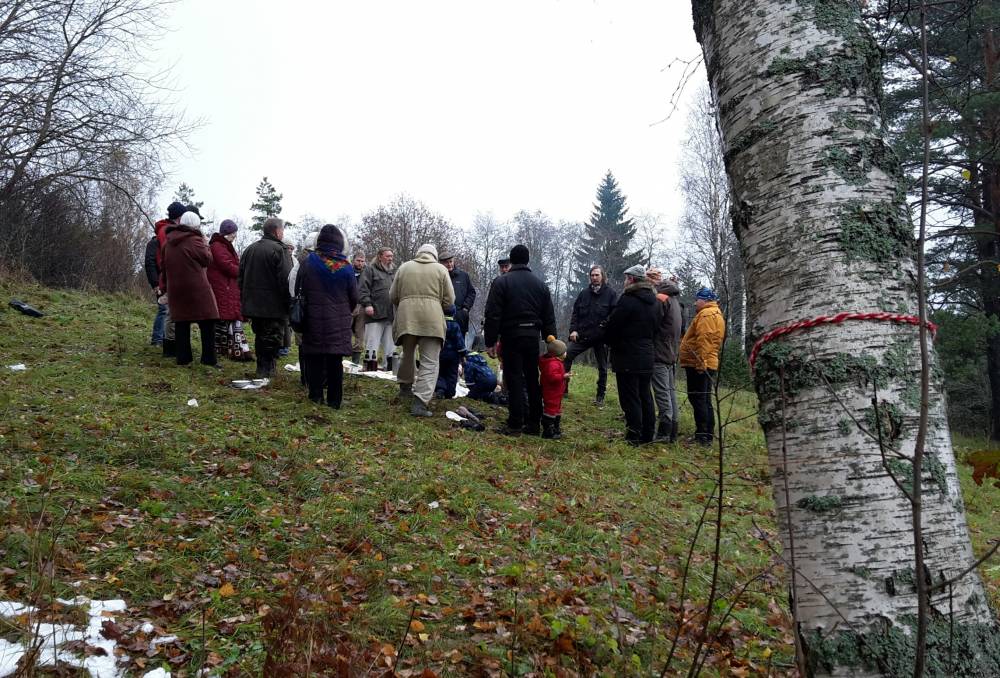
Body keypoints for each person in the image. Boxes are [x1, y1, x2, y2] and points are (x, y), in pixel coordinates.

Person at [483, 244, 556, 436]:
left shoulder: (502, 282)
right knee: (532, 379)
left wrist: (490, 341)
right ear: (527, 260)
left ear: (512, 260)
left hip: (511, 336)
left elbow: (493, 314)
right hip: (533, 337)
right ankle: (534, 423)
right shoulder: (540, 285)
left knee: (514, 378)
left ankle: (515, 423)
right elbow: (549, 316)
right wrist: (551, 341)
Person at [389, 244, 455, 417]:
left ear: (418, 253)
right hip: (432, 320)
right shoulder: (441, 270)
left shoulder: (404, 267)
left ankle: (404, 388)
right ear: (434, 255)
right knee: (430, 361)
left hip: (407, 318)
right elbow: (450, 300)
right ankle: (420, 403)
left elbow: (393, 296)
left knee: (407, 354)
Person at [297, 224, 358, 408]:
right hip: (338, 322)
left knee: (314, 358)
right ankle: (334, 400)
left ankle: (315, 396)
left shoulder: (309, 262)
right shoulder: (346, 267)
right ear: (339, 243)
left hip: (312, 319)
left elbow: (298, 289)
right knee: (335, 361)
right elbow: (354, 298)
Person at [603, 264, 661, 445]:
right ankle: (648, 434)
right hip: (647, 354)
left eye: (626, 278)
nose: (624, 281)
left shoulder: (627, 300)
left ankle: (633, 434)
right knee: (645, 395)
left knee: (630, 396)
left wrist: (608, 338)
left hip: (627, 355)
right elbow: (656, 328)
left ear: (632, 279)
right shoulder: (654, 302)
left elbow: (614, 325)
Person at [161, 211, 220, 368]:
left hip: (176, 289)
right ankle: (209, 359)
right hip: (197, 288)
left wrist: (164, 287)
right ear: (196, 225)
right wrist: (206, 244)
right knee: (208, 322)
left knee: (181, 323)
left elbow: (164, 268)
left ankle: (183, 359)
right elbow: (207, 260)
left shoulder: (168, 243)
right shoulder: (195, 240)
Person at [239, 217, 293, 378]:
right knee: (272, 338)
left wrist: (245, 298)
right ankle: (267, 371)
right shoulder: (279, 250)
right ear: (277, 231)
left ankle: (262, 368)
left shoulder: (249, 249)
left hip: (253, 304)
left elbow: (240, 277)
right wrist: (289, 303)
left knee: (260, 335)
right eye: (282, 230)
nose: (283, 233)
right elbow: (286, 280)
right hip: (273, 306)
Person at [564, 266, 618, 406]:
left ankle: (600, 396)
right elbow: (575, 313)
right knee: (567, 356)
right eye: (592, 275)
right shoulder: (584, 293)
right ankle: (563, 389)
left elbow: (615, 315)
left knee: (602, 367)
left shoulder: (611, 294)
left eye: (597, 275)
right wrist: (573, 330)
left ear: (602, 276)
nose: (594, 277)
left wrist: (606, 328)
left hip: (601, 338)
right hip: (583, 335)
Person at [679, 287, 725, 446]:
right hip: (707, 362)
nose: (695, 302)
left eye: (697, 299)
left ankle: (702, 436)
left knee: (698, 399)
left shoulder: (706, 315)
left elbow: (704, 341)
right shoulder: (716, 313)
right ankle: (707, 434)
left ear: (704, 300)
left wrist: (700, 363)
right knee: (704, 399)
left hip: (699, 363)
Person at [207, 219, 252, 361]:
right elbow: (226, 265)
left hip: (226, 286)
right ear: (227, 233)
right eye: (233, 234)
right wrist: (242, 271)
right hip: (222, 286)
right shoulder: (218, 246)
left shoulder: (223, 245)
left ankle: (223, 348)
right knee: (222, 318)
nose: (235, 237)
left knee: (225, 318)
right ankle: (220, 348)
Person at [647, 269, 682, 442]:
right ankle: (673, 431)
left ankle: (663, 432)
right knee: (670, 392)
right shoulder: (675, 300)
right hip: (671, 352)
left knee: (662, 394)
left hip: (659, 352)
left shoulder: (661, 299)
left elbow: (652, 323)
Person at [153, 201, 186, 357]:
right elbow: (168, 253)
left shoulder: (167, 229)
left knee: (171, 312)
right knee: (169, 312)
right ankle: (169, 346)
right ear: (179, 217)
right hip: (169, 274)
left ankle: (170, 345)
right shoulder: (166, 231)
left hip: (169, 273)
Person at [358, 247, 396, 372]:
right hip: (374, 313)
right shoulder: (370, 270)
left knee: (390, 344)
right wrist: (367, 304)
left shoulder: (392, 272)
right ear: (380, 256)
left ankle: (389, 367)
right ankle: (369, 368)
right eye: (387, 256)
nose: (390, 258)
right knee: (372, 342)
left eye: (391, 256)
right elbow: (363, 289)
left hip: (390, 314)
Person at [438, 252, 476, 338]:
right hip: (442, 317)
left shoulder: (463, 276)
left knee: (460, 346)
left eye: (451, 261)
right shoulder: (437, 277)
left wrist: (465, 309)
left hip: (460, 317)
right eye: (446, 262)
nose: (449, 264)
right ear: (440, 263)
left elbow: (471, 293)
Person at [435, 304, 468, 399]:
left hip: (440, 353)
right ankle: (450, 391)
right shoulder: (455, 325)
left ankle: (440, 389)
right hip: (453, 356)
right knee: (452, 373)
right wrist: (463, 353)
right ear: (454, 313)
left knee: (440, 372)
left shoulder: (439, 324)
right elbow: (459, 341)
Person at [539, 335, 568, 440]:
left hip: (556, 392)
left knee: (556, 409)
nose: (566, 353)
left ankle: (555, 427)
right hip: (551, 392)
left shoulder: (556, 362)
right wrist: (563, 376)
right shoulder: (553, 364)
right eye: (564, 351)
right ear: (558, 354)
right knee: (550, 409)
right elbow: (552, 377)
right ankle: (548, 431)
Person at [143, 230, 166, 347]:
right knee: (164, 309)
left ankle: (163, 338)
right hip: (160, 282)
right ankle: (157, 339)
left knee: (167, 311)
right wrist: (155, 283)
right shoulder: (154, 243)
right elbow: (149, 263)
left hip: (166, 281)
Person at [350, 249, 367, 364]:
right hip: (348, 305)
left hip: (361, 305)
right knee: (345, 331)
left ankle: (355, 361)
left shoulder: (367, 273)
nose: (360, 263)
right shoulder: (348, 271)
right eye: (358, 260)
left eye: (362, 261)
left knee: (359, 333)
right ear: (353, 260)